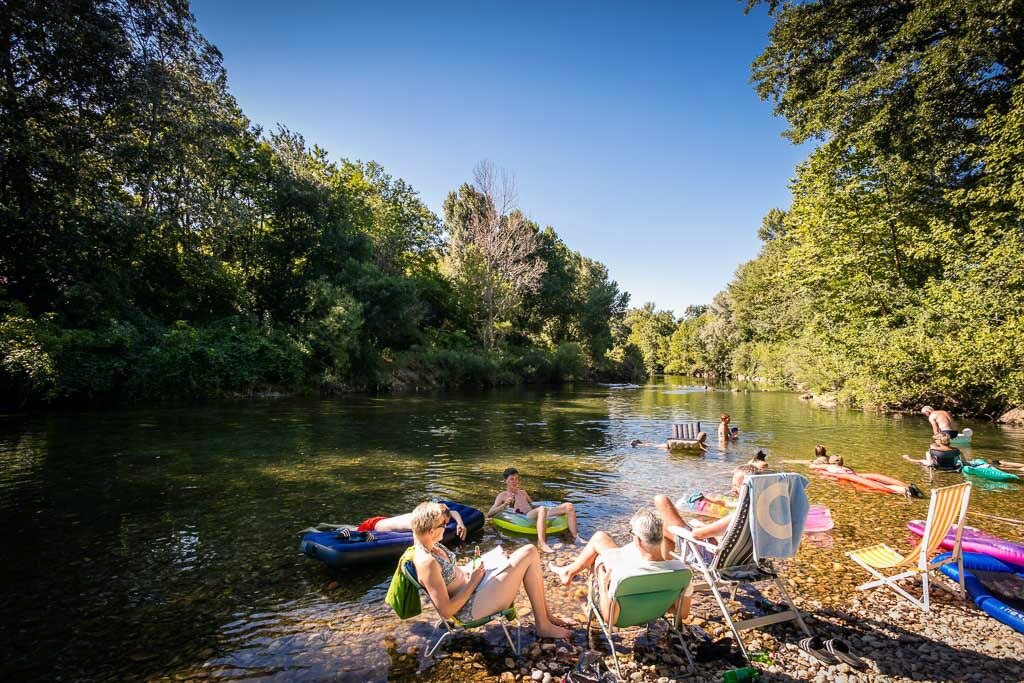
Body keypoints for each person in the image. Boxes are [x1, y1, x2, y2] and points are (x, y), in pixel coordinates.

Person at [410, 501, 571, 638]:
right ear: (431, 531)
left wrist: (473, 569)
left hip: (474, 587)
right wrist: (473, 581)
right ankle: (543, 625)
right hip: (470, 606)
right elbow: (446, 611)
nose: (446, 527)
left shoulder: (431, 544)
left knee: (524, 555)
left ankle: (547, 617)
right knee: (529, 551)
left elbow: (449, 575)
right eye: (443, 525)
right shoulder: (427, 563)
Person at [547, 508, 686, 622]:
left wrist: (602, 584)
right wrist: (655, 603)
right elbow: (683, 612)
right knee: (600, 538)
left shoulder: (621, 574)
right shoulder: (682, 571)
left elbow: (610, 618)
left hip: (622, 617)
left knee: (598, 561)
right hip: (653, 612)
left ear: (638, 540)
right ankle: (569, 572)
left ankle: (589, 607)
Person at [486, 467, 579, 553]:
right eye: (511, 479)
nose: (515, 481)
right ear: (505, 481)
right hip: (524, 517)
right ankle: (542, 543)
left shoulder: (523, 492)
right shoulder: (502, 495)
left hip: (534, 513)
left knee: (568, 506)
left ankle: (576, 537)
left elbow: (533, 505)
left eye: (516, 479)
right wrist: (505, 504)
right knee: (542, 509)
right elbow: (490, 514)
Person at [811, 454, 923, 498]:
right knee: (877, 479)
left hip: (851, 478)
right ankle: (907, 486)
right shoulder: (844, 468)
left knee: (874, 487)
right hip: (853, 475)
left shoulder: (826, 469)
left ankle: (904, 490)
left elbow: (822, 472)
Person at [357, 501, 468, 539]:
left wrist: (460, 524)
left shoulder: (433, 511)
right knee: (354, 530)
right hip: (372, 526)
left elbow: (453, 512)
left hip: (383, 521)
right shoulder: (419, 520)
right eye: (443, 523)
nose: (445, 525)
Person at [631, 431, 708, 452]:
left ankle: (640, 443)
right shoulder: (699, 444)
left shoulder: (695, 442)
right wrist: (706, 451)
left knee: (655, 445)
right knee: (653, 446)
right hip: (668, 448)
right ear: (703, 438)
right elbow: (703, 449)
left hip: (669, 445)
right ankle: (639, 444)